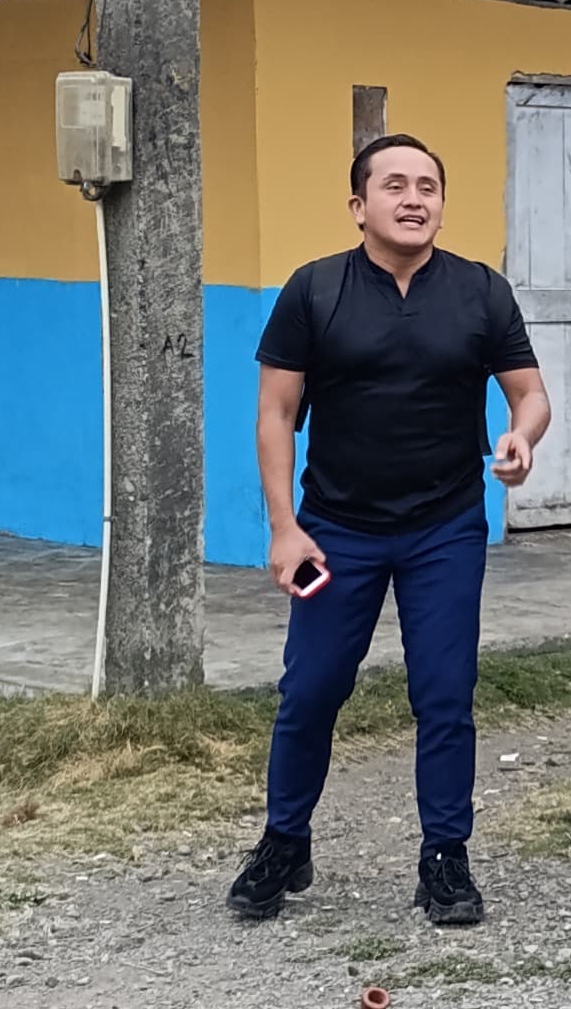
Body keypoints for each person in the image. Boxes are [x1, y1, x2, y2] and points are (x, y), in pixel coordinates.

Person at [229, 131, 551, 931]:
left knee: (445, 693)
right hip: (335, 531)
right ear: (359, 205)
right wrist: (284, 528)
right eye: (395, 186)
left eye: (428, 187)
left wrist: (521, 438)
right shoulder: (314, 290)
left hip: (446, 528)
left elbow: (530, 393)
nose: (414, 200)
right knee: (310, 690)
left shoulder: (480, 291)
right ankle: (284, 842)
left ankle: (445, 857)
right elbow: (276, 414)